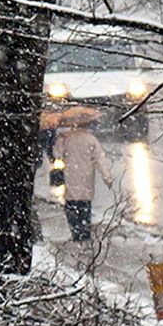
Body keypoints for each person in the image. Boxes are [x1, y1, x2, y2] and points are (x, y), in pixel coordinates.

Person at [51, 101, 108, 243]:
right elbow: (100, 159)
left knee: (71, 205)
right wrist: (107, 177)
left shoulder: (67, 138)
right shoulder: (91, 140)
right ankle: (85, 232)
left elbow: (56, 154)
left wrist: (60, 140)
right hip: (87, 178)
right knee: (85, 206)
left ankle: (75, 232)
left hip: (71, 176)